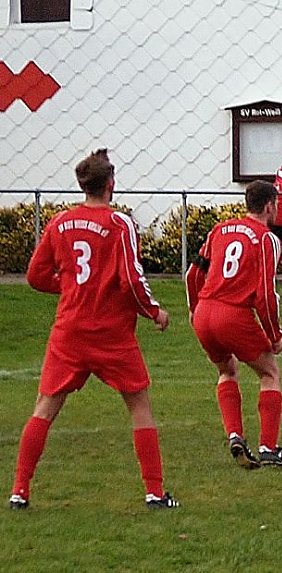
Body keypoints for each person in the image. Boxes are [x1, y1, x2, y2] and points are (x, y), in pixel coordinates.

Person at [10, 149, 178, 510]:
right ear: (111, 184)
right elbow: (131, 279)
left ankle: (19, 490)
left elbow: (36, 276)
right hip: (111, 333)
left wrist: (70, 287)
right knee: (139, 405)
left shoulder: (59, 223)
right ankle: (154, 492)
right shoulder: (119, 224)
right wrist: (154, 312)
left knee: (45, 407)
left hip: (69, 330)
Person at [185, 180, 282, 470]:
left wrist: (194, 309)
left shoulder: (220, 229)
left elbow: (192, 275)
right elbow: (265, 295)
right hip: (233, 314)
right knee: (270, 373)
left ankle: (235, 435)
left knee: (226, 370)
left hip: (204, 311)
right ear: (269, 206)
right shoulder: (267, 239)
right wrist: (274, 334)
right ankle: (269, 447)